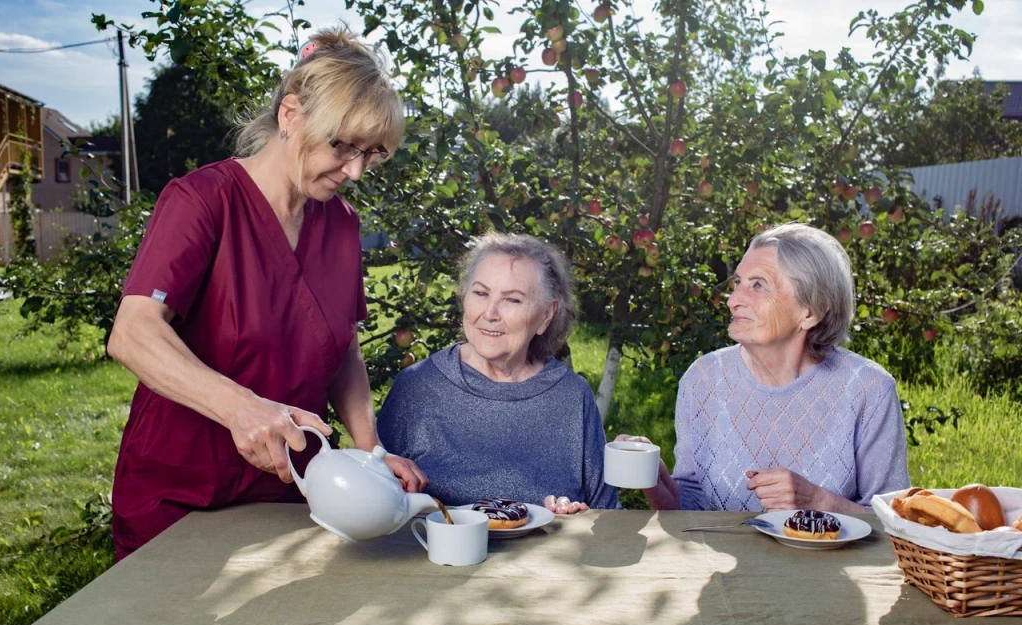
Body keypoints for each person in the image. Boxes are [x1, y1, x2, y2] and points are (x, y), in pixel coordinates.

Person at [107, 28, 427, 561]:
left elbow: (341, 344)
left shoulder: (342, 224)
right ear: (291, 116)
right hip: (178, 492)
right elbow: (133, 334)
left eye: (371, 154)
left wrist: (372, 452)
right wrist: (242, 409)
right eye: (342, 145)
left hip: (291, 489)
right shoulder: (202, 201)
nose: (354, 171)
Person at [629, 223, 909, 513]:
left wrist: (818, 501)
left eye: (758, 285)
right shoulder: (703, 379)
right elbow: (692, 508)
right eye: (737, 283)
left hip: (830, 561)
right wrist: (654, 477)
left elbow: (896, 522)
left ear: (810, 312)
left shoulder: (868, 389)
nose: (733, 300)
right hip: (720, 560)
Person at [377, 233, 619, 513]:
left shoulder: (572, 396)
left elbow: (607, 515)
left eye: (513, 300)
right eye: (480, 293)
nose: (490, 313)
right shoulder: (417, 387)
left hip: (541, 556)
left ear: (546, 315)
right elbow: (374, 501)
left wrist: (575, 519)